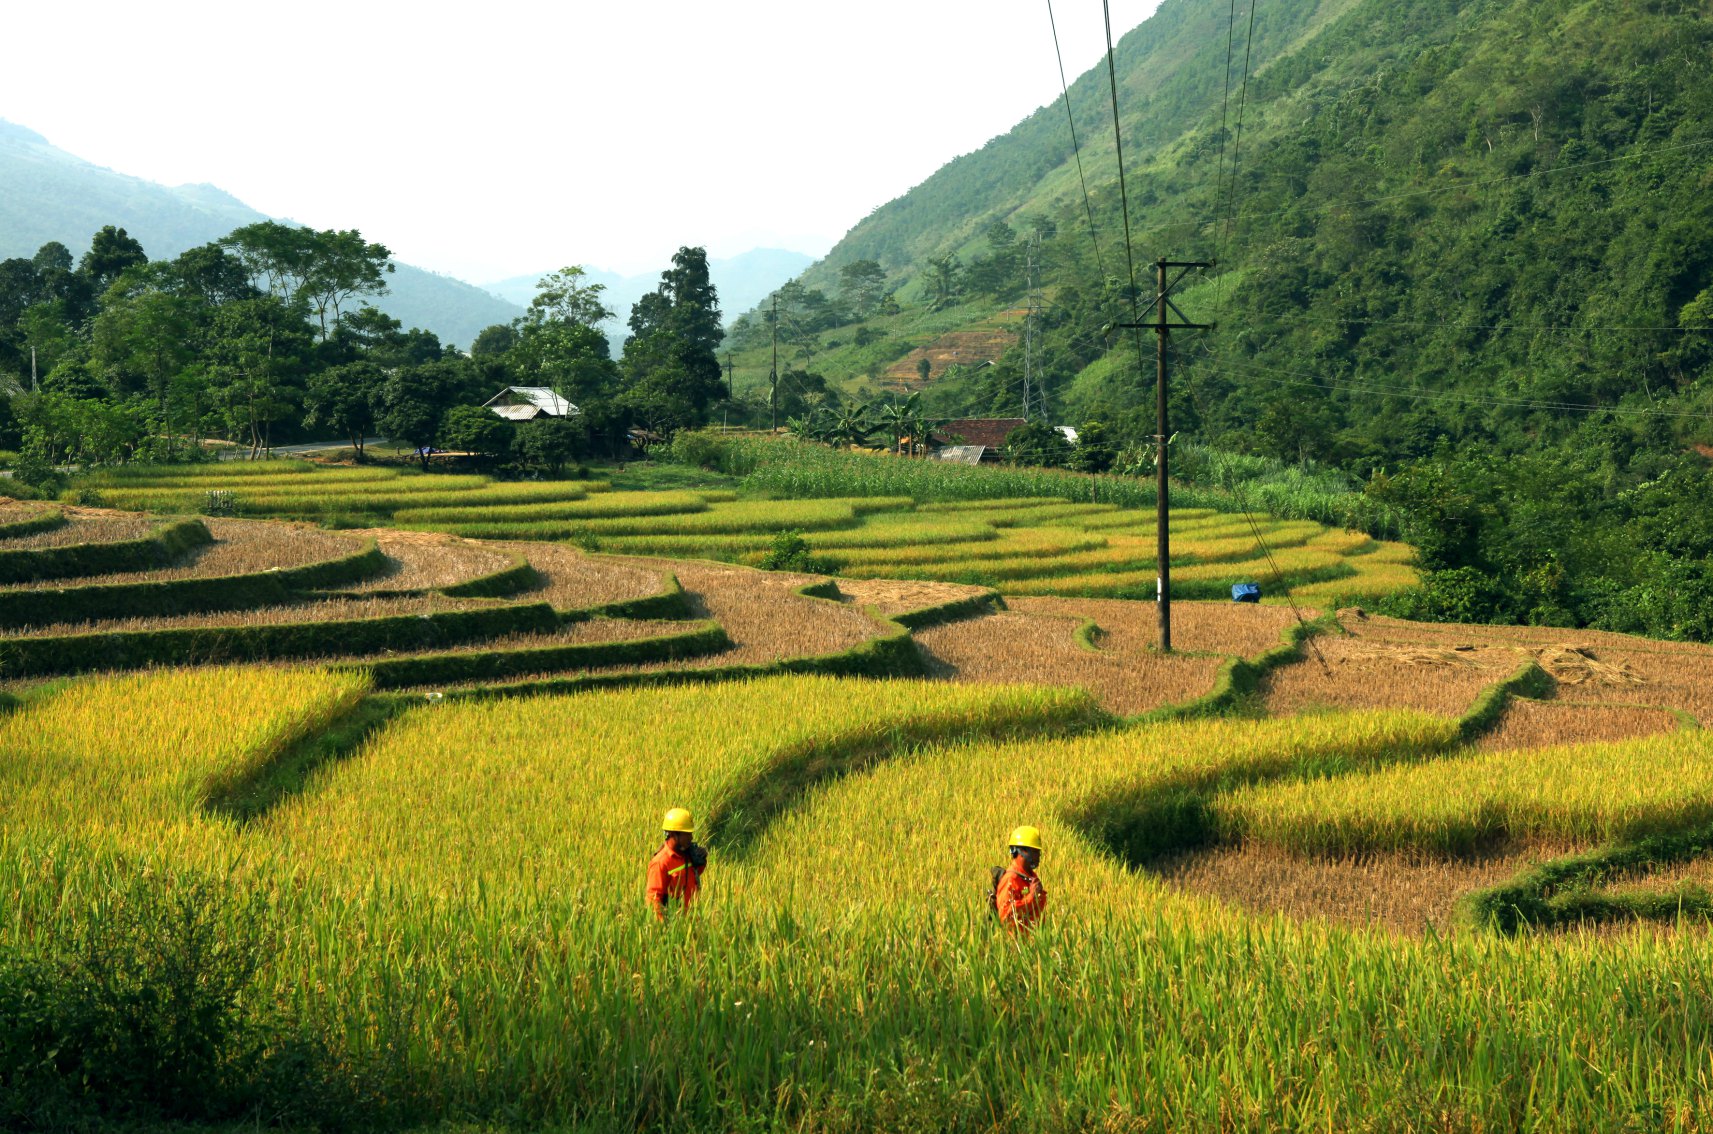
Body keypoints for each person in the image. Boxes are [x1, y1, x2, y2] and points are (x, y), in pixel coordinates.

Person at [647, 806, 708, 921]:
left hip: (693, 920)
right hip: (674, 923)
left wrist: (701, 860)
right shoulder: (660, 862)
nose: (691, 837)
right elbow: (653, 899)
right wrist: (664, 928)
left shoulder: (687, 853)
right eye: (687, 834)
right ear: (674, 834)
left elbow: (694, 875)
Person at [994, 825, 1047, 933]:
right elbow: (1006, 917)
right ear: (1021, 851)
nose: (1039, 856)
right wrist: (1031, 898)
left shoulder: (1031, 877)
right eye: (1035, 851)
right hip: (1016, 945)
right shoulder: (1010, 880)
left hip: (1034, 942)